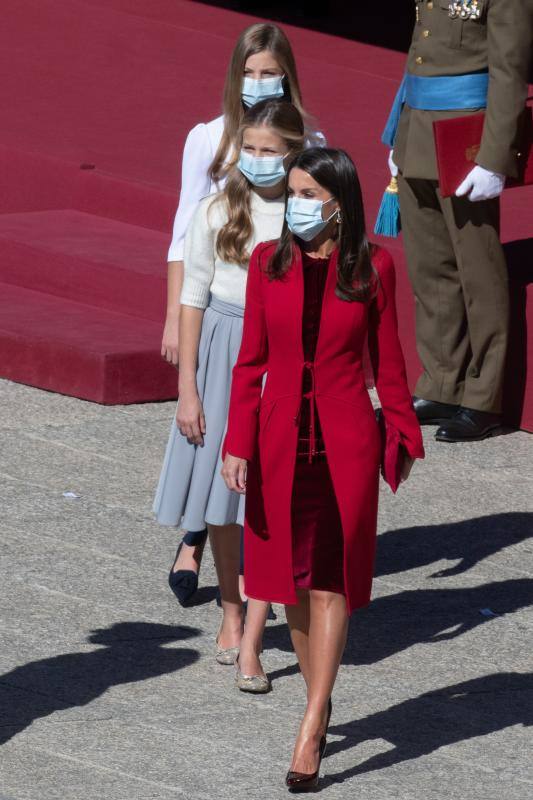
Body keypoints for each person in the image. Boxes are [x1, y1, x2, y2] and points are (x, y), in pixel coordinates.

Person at [221, 148, 424, 789]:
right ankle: (322, 694)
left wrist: (402, 435)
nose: (297, 205)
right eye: (293, 192)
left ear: (340, 203)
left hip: (345, 446)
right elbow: (249, 363)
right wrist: (237, 443)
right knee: (291, 587)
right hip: (280, 445)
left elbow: (389, 364)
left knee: (330, 580)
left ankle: (310, 727)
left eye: (309, 193)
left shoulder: (374, 269)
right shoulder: (266, 264)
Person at [159, 21, 324, 604]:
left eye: (269, 72)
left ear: (287, 75)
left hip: (275, 323)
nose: (259, 83)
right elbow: (186, 231)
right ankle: (194, 539)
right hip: (218, 307)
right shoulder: (208, 137)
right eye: (249, 72)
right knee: (211, 438)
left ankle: (261, 571)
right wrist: (172, 318)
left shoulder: (311, 139)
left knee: (256, 447)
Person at [154, 99, 306, 692]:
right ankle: (232, 610)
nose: (261, 160)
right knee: (223, 493)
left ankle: (255, 633)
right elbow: (192, 297)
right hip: (222, 345)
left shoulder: (305, 211)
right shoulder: (218, 210)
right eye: (252, 149)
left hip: (282, 352)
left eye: (273, 151)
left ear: (293, 151)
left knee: (272, 494)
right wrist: (187, 387)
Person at [384, 0, 531, 442]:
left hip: (466, 141)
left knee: (478, 273)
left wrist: (494, 159)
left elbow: (510, 71)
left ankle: (483, 397)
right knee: (430, 270)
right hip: (419, 131)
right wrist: (400, 134)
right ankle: (443, 382)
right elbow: (420, 55)